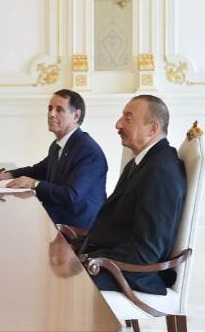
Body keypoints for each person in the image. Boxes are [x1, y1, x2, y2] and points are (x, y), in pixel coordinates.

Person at [78, 95, 186, 295]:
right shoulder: (143, 162)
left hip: (133, 274)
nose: (118, 124)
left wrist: (90, 259)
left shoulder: (160, 171)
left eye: (128, 118)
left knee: (56, 282)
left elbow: (147, 252)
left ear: (152, 129)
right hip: (112, 260)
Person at [0, 89, 108, 229]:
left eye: (59, 109)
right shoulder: (58, 145)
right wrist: (7, 175)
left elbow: (71, 195)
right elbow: (38, 171)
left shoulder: (88, 151)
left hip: (77, 229)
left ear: (76, 115)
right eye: (50, 108)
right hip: (54, 220)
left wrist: (34, 184)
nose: (51, 114)